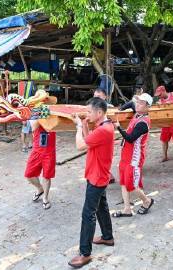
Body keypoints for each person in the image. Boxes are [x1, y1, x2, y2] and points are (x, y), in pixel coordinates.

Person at [68, 97, 115, 268]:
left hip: (97, 177)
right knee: (101, 207)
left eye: (89, 111)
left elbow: (80, 145)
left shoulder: (104, 129)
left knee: (88, 213)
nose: (86, 114)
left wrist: (78, 126)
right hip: (98, 174)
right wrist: (86, 125)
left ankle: (85, 253)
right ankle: (108, 237)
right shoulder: (103, 126)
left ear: (100, 112)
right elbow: (90, 142)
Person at [112, 93, 155, 217]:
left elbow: (130, 138)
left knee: (132, 184)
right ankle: (127, 209)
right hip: (126, 154)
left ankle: (147, 201)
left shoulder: (143, 122)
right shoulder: (138, 112)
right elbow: (131, 103)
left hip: (134, 157)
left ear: (148, 107)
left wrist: (119, 128)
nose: (137, 104)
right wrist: (120, 109)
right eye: (138, 102)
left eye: (141, 103)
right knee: (124, 182)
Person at [24, 120, 56, 210]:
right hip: (37, 150)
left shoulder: (51, 112)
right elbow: (33, 127)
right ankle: (40, 189)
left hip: (49, 151)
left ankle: (45, 198)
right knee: (29, 174)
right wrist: (40, 116)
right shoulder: (33, 112)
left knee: (46, 176)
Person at [154, 85, 173, 162]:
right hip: (165, 122)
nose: (159, 96)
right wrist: (158, 106)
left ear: (164, 91)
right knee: (164, 139)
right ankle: (165, 156)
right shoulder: (160, 101)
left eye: (160, 94)